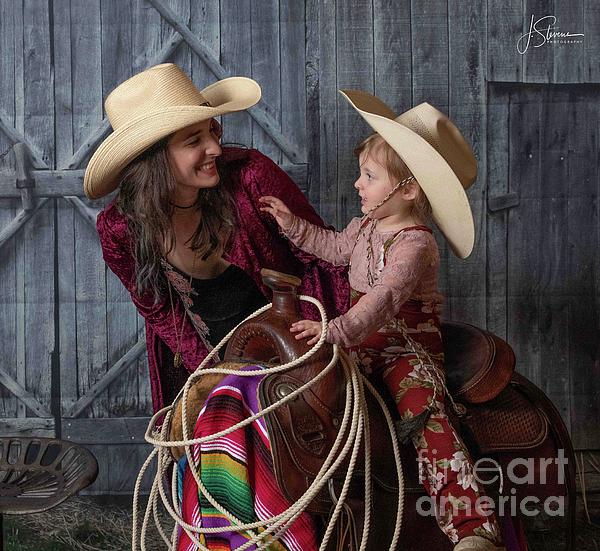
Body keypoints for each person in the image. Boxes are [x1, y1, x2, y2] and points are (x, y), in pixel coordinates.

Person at [84, 64, 350, 549]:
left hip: (294, 346)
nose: (214, 148)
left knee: (230, 419)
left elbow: (325, 257)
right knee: (218, 415)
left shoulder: (250, 177)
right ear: (153, 159)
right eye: (193, 141)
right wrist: (211, 371)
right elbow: (160, 312)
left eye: (213, 131)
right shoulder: (121, 230)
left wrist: (321, 341)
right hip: (206, 359)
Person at [260, 91, 506, 551]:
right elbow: (334, 248)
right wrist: (292, 225)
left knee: (426, 415)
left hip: (401, 349)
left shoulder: (414, 244)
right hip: (360, 343)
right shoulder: (367, 225)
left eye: (369, 176)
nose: (358, 184)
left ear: (407, 189)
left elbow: (383, 298)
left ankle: (473, 529)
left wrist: (333, 331)